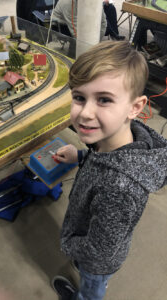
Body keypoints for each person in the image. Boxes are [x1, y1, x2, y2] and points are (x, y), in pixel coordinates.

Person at [51, 40, 167, 300]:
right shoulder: (114, 139)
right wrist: (79, 155)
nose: (85, 113)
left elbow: (98, 251)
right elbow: (102, 159)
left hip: (97, 263)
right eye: (79, 97)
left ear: (135, 108)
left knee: (91, 291)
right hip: (96, 241)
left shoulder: (120, 189)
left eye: (104, 99)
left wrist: (67, 243)